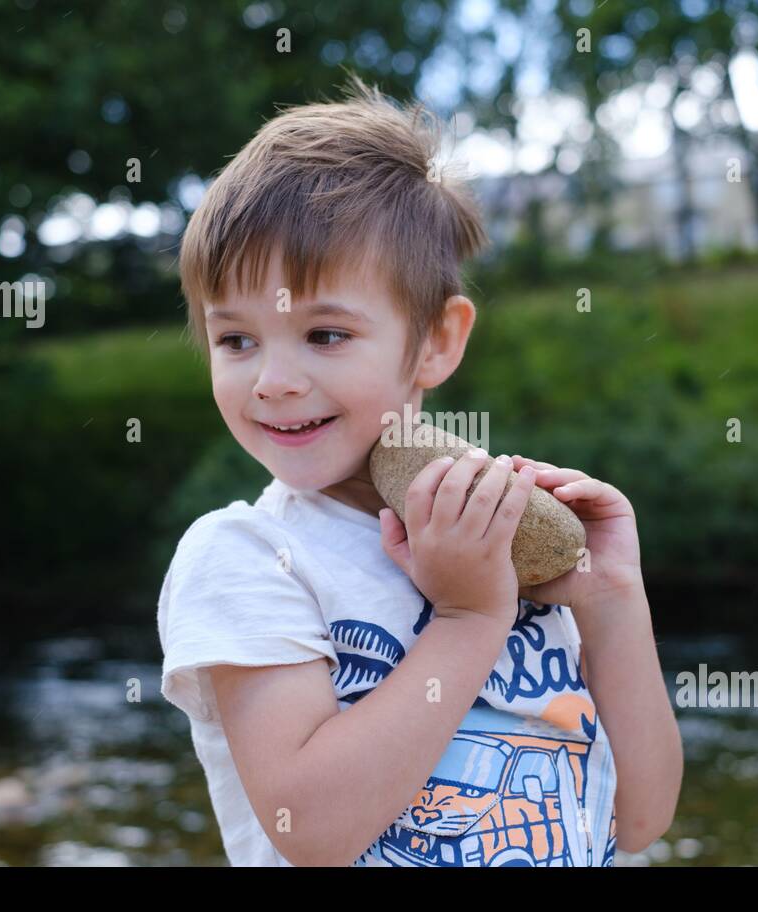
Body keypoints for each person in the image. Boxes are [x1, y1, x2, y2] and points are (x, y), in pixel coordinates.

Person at [158, 73, 682, 866]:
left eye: (325, 334)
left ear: (436, 342)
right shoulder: (244, 555)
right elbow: (313, 829)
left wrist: (612, 600)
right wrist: (470, 621)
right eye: (236, 340)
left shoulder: (498, 529)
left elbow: (636, 820)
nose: (272, 380)